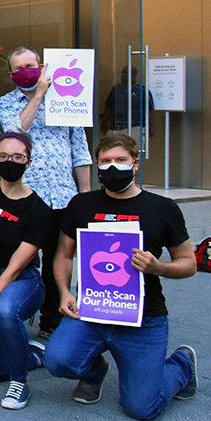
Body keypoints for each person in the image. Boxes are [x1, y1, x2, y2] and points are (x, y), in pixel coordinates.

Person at [45, 133, 197, 420]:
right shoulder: (82, 204)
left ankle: (182, 365)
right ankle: (94, 369)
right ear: (97, 165)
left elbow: (188, 262)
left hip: (144, 317)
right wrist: (65, 292)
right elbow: (64, 254)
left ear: (136, 164)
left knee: (142, 408)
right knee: (57, 360)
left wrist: (158, 267)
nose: (112, 167)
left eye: (120, 160)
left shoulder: (163, 208)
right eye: (105, 161)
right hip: (93, 310)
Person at [0, 46, 93, 338]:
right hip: (25, 195)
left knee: (58, 257)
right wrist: (38, 95)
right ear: (12, 75)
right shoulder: (5, 103)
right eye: (19, 67)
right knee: (21, 259)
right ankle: (14, 316)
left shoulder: (68, 98)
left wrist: (85, 193)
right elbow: (14, 132)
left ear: (42, 65)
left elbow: (80, 149)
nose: (27, 70)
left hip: (63, 194)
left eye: (31, 64)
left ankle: (53, 321)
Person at [0, 133, 51, 410]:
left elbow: (15, 269)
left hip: (21, 280)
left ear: (28, 162)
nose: (9, 162)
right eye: (3, 156)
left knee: (4, 310)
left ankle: (20, 382)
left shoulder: (38, 209)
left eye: (17, 157)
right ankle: (31, 354)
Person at [101, 66, 154, 135]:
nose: (124, 75)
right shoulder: (116, 89)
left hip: (136, 127)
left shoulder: (142, 90)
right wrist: (104, 123)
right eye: (123, 72)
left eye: (126, 73)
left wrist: (152, 127)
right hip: (117, 127)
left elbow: (150, 110)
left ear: (133, 75)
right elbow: (108, 108)